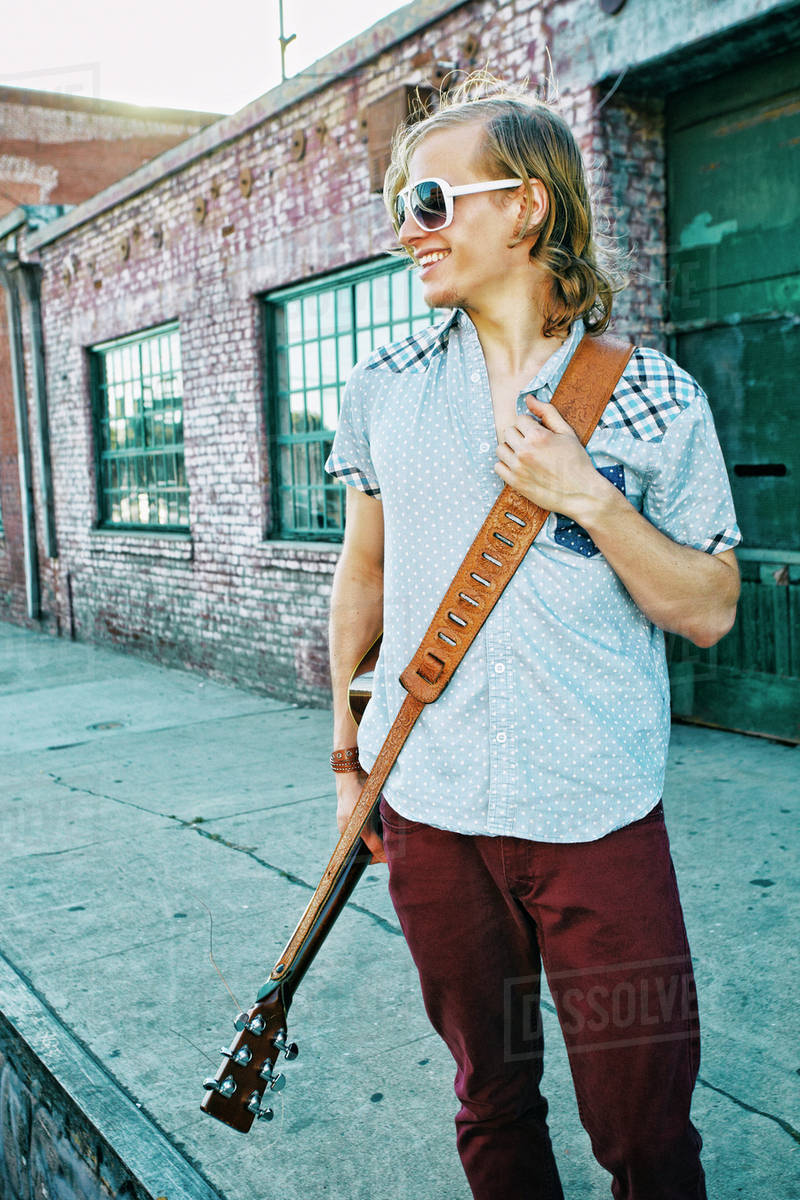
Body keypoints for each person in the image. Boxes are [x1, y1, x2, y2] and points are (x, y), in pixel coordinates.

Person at [325, 76, 740, 1200]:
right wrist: (345, 758)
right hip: (434, 816)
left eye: (427, 201)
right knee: (490, 1101)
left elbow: (706, 605)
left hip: (595, 813)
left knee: (644, 1130)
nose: (406, 233)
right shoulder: (380, 390)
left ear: (524, 207)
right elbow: (360, 579)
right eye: (397, 209)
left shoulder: (651, 395)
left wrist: (590, 498)